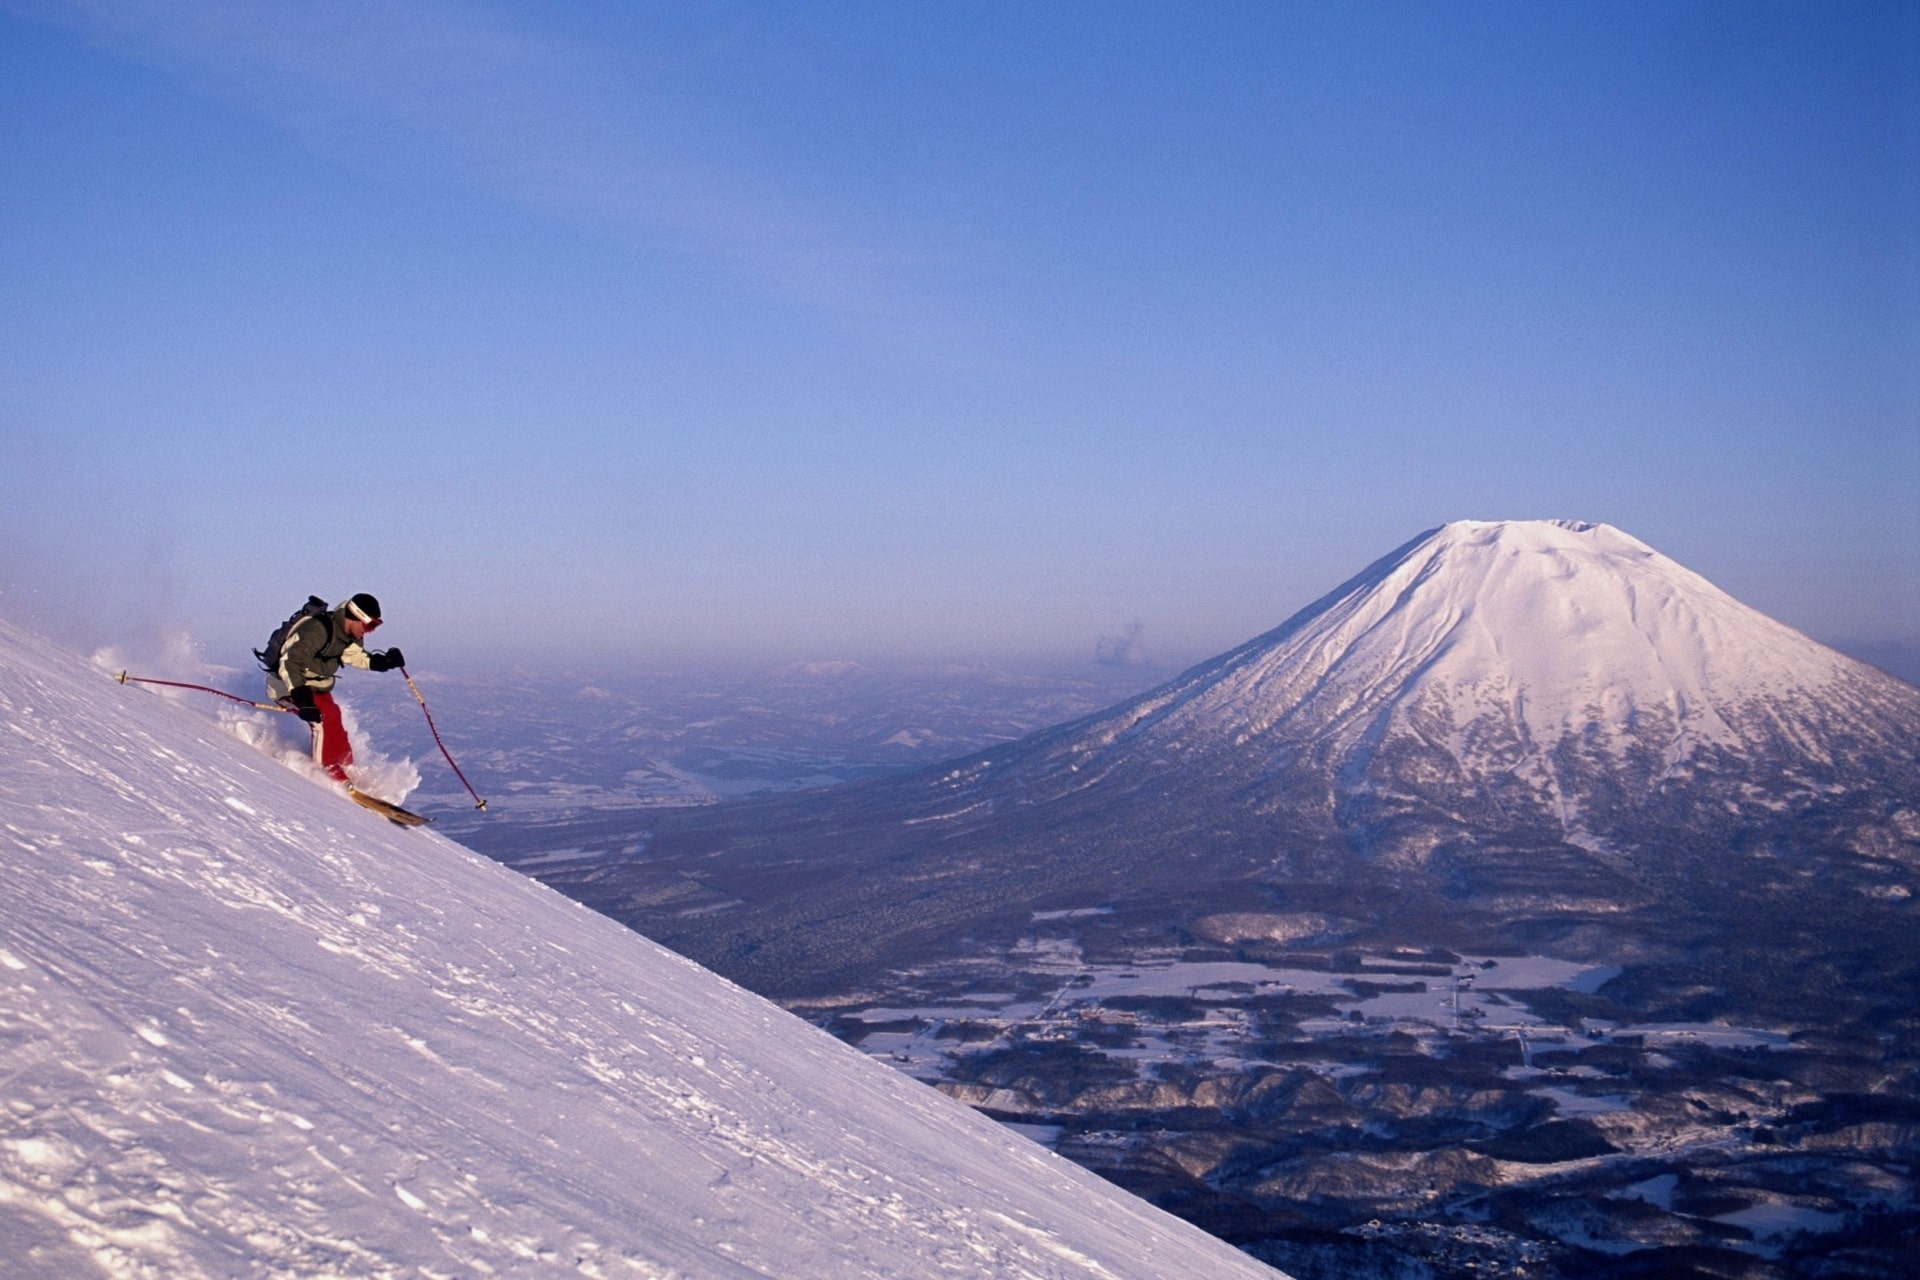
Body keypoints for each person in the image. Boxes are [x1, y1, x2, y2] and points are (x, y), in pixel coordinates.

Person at [265, 593, 405, 783]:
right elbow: (290, 662)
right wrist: (302, 699)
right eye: (370, 625)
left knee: (334, 715)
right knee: (323, 718)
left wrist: (383, 662)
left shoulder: (347, 635)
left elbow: (353, 656)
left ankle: (346, 768)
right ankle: (327, 775)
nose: (369, 631)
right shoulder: (317, 630)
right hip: (289, 686)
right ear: (356, 616)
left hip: (316, 688)